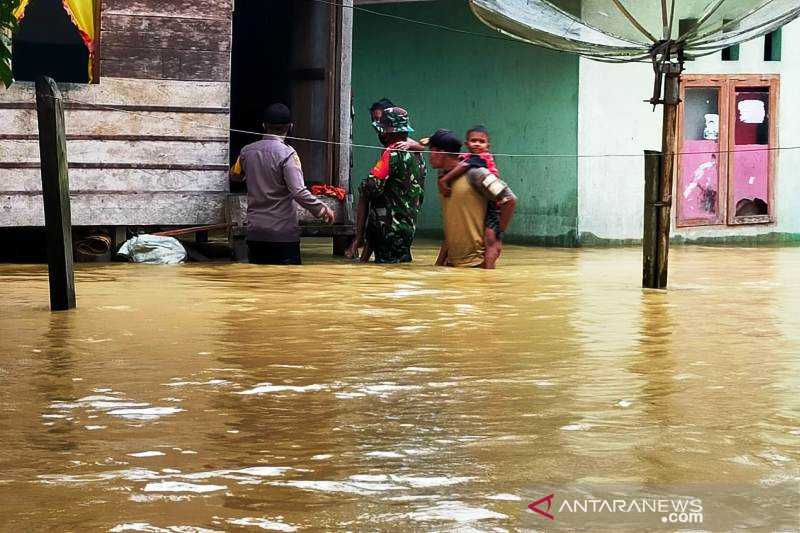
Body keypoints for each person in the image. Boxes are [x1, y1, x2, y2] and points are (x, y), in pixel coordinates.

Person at [230, 103, 334, 265]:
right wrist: (321, 209)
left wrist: (251, 174)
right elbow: (298, 191)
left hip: (255, 234)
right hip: (283, 236)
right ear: (290, 127)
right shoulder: (288, 154)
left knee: (258, 285)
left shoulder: (246, 151)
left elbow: (234, 176)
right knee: (287, 286)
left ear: (264, 125)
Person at [426, 129, 516, 268]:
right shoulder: (443, 178)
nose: (429, 156)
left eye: (430, 151)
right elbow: (452, 224)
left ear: (439, 152)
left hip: (476, 265)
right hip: (453, 266)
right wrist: (439, 264)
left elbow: (509, 199)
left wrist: (498, 234)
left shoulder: (477, 174)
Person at [356, 107, 426, 263]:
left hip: (389, 230)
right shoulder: (418, 156)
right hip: (408, 227)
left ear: (387, 132)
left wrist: (364, 183)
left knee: (385, 276)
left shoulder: (392, 153)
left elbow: (371, 187)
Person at [345, 97, 396, 260]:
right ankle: (361, 243)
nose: (376, 125)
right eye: (374, 120)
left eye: (379, 120)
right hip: (383, 215)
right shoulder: (386, 141)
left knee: (365, 190)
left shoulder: (397, 144)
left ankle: (359, 239)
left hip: (394, 218)